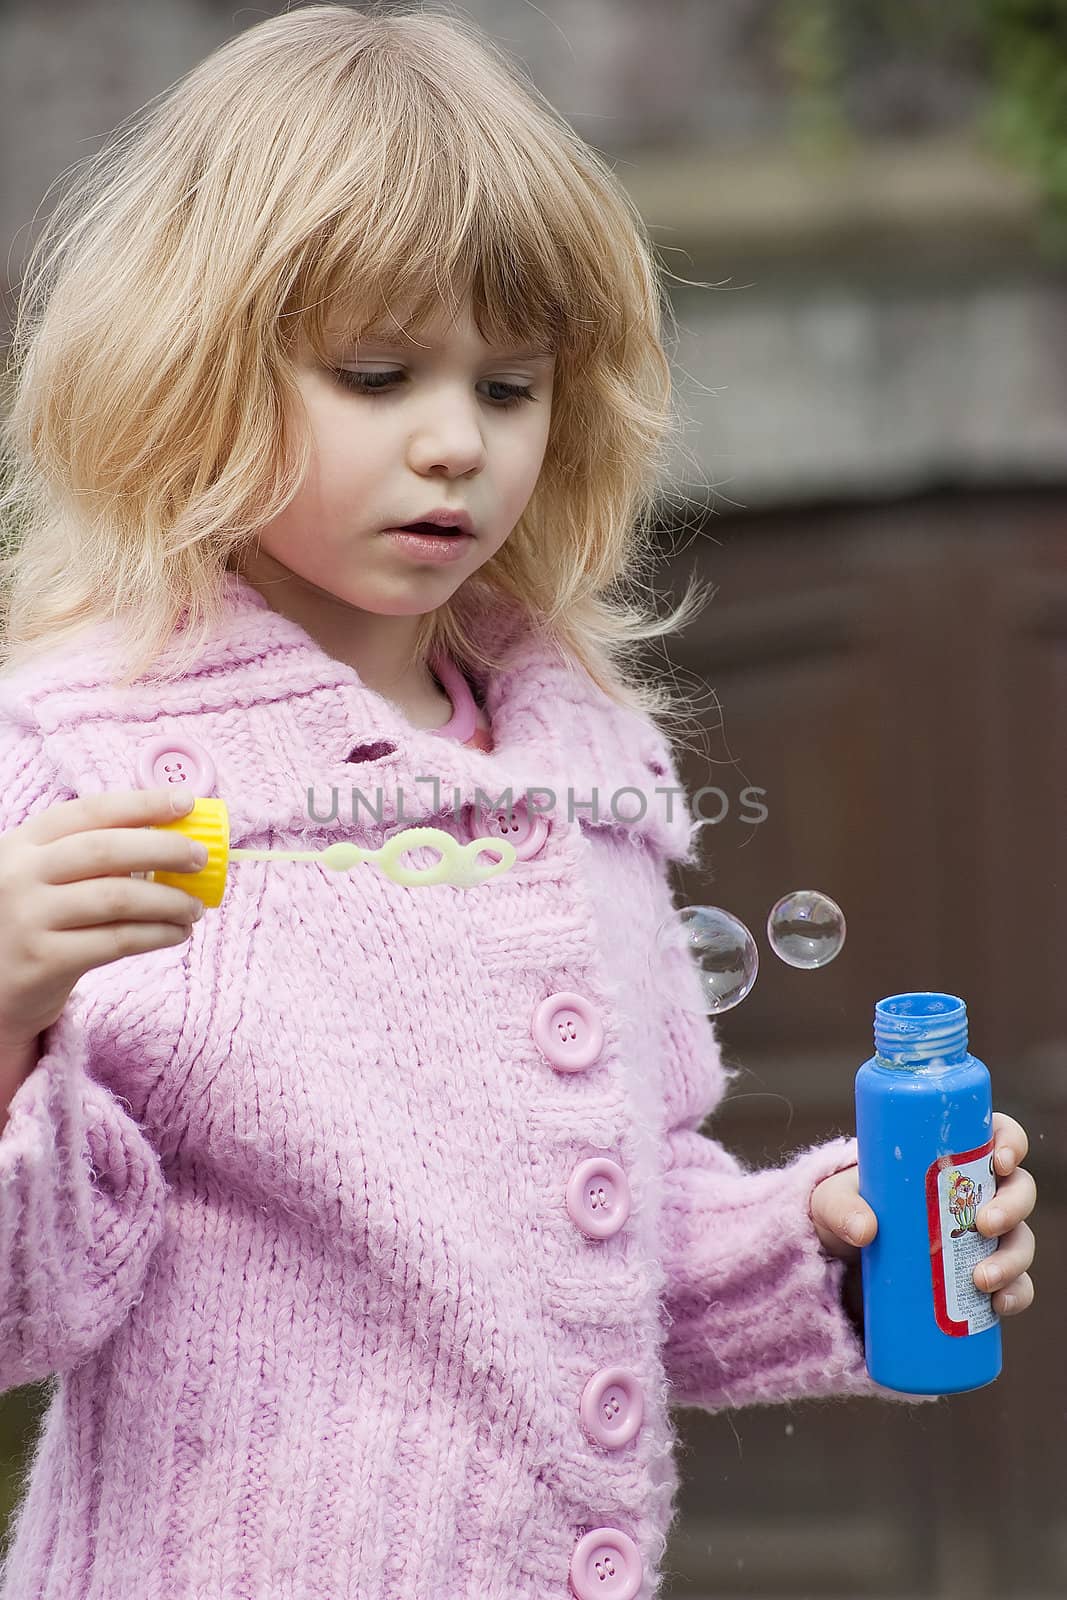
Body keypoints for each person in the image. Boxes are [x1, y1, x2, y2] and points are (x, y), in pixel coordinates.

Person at [0, 6, 1037, 1598]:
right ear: (191, 371)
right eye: (374, 373)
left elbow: (607, 1236)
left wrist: (830, 1239)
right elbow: (32, 1306)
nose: (453, 445)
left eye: (507, 387)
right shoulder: (90, 760)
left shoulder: (579, 764)